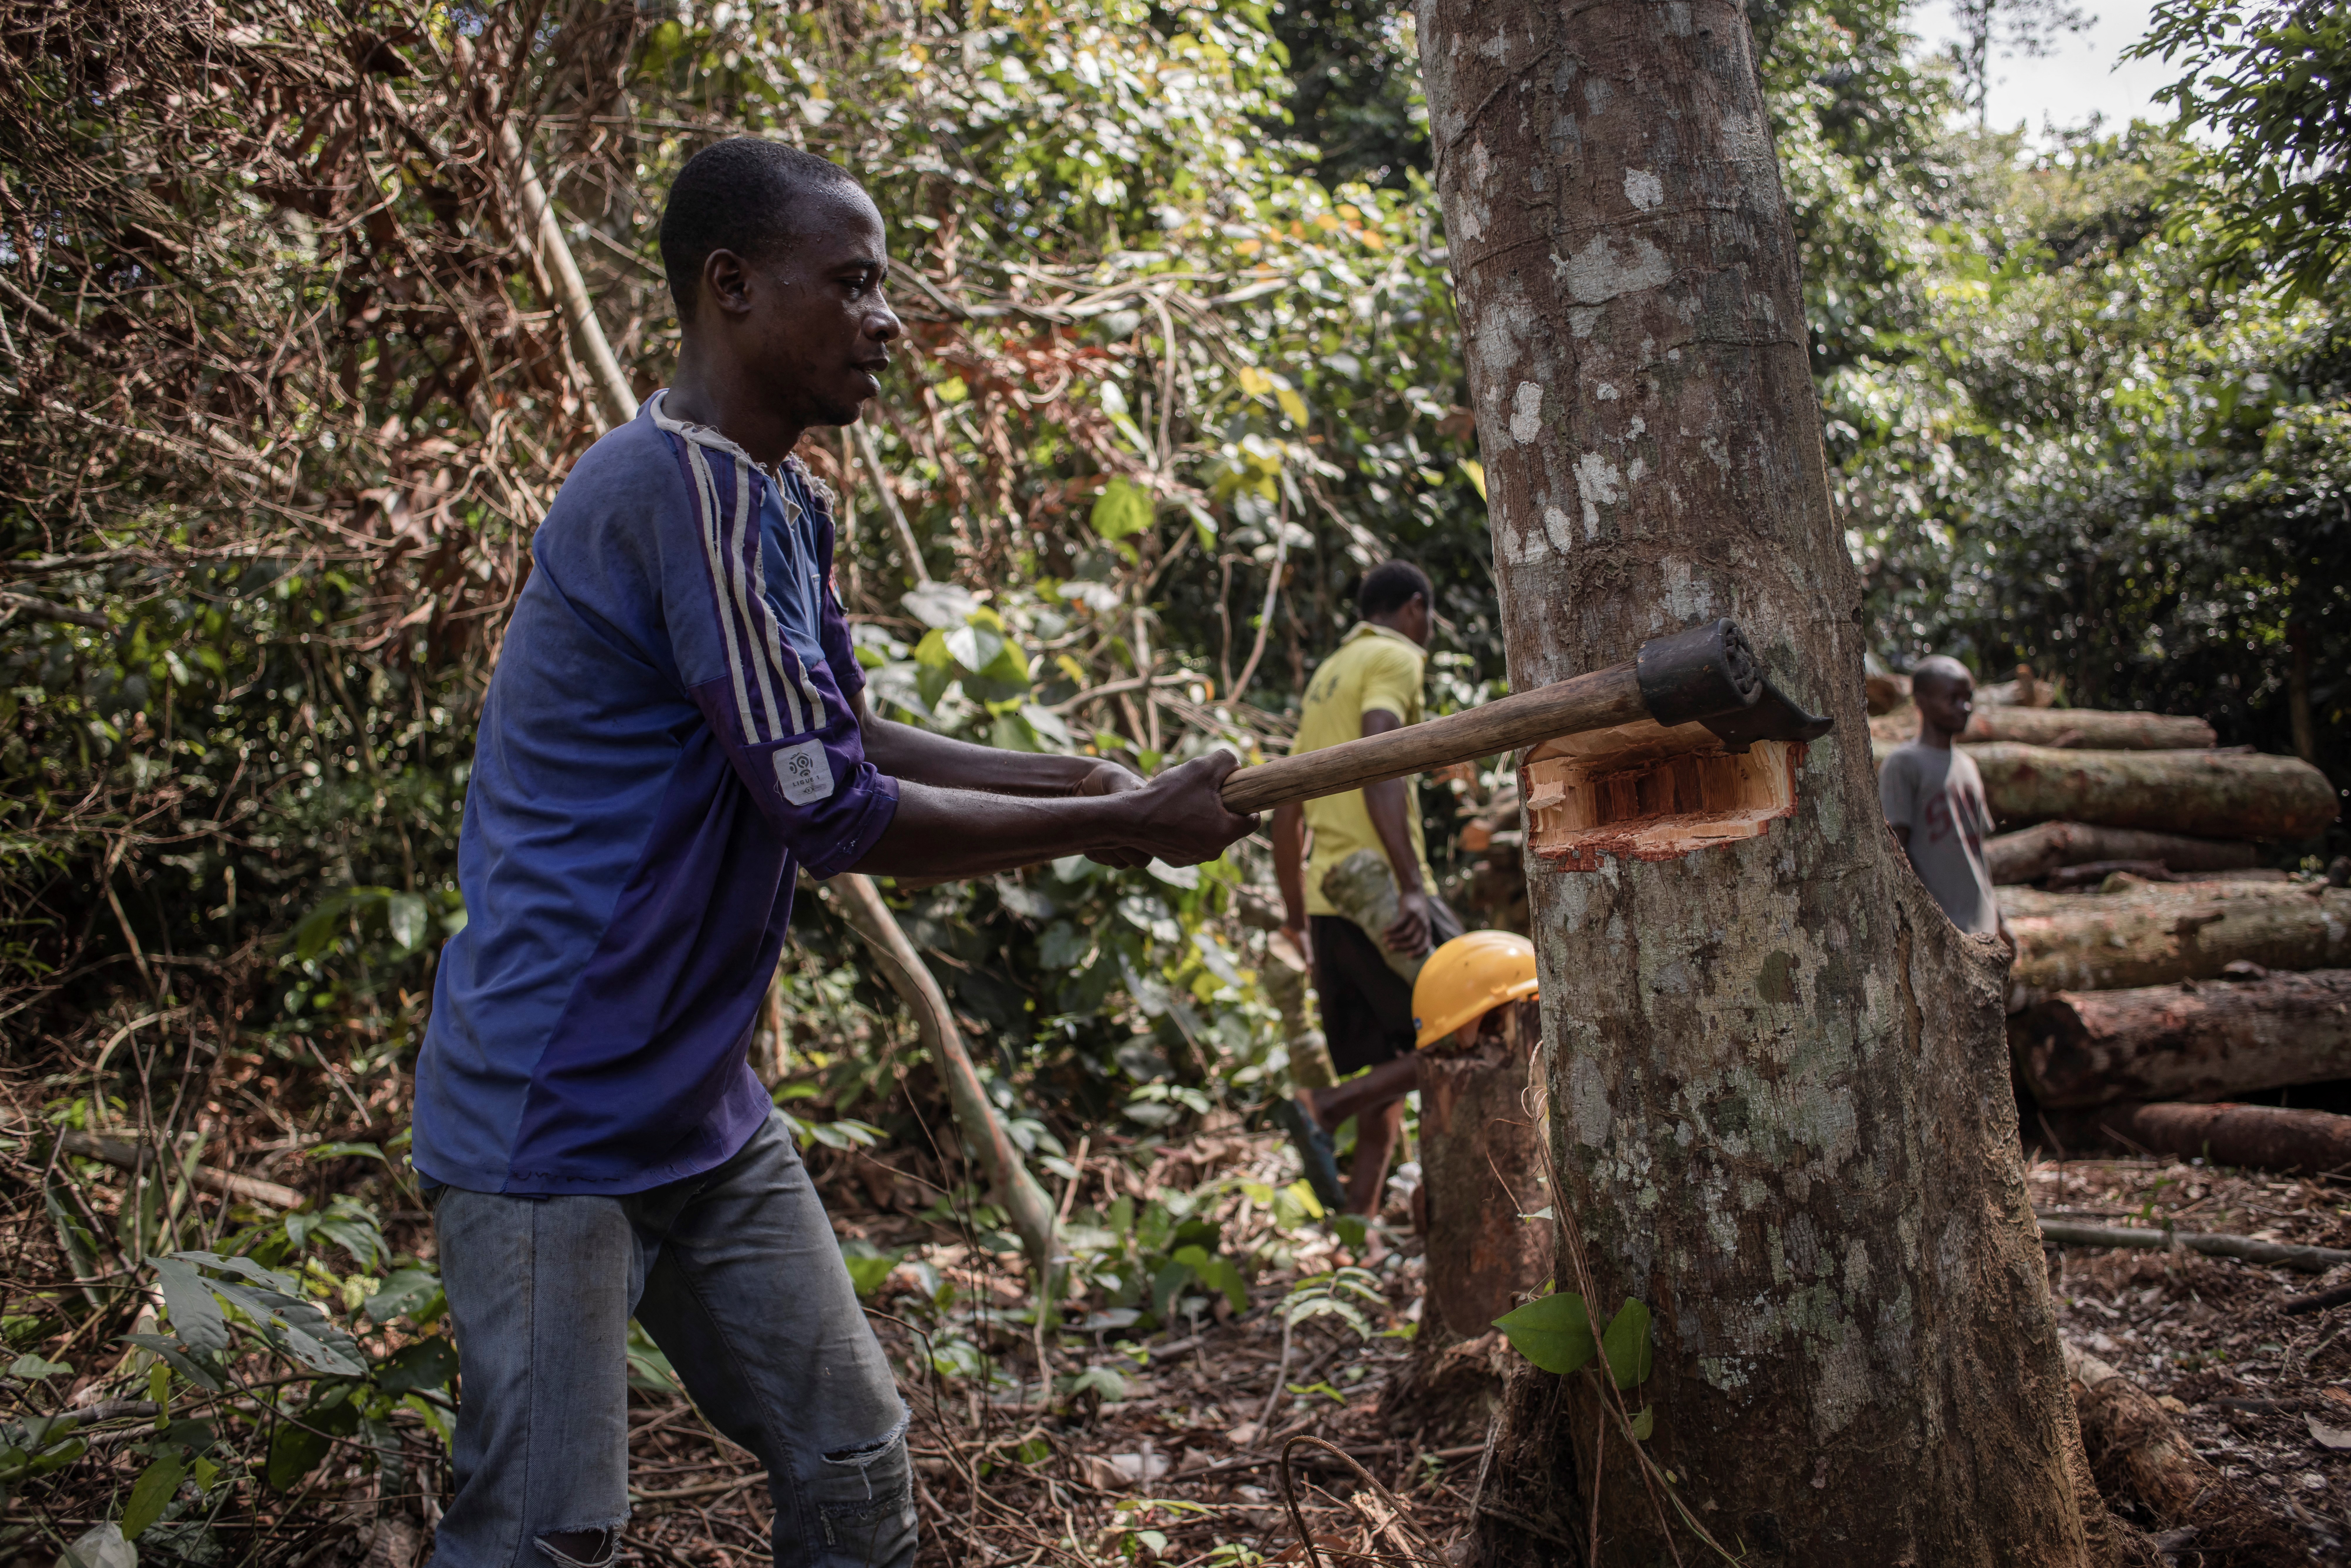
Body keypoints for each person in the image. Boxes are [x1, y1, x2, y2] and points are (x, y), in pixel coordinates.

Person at [408, 138, 1255, 1568]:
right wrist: (1113, 824)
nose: (887, 318)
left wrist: (1077, 777)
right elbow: (836, 812)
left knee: (854, 1460)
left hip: (700, 1104)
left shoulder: (780, 501)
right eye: (853, 284)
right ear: (732, 288)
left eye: (887, 286)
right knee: (542, 1535)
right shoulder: (678, 492)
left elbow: (842, 729)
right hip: (551, 1115)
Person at [1270, 561, 1463, 1215]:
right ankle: (1322, 1106)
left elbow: (1286, 806)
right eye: (1430, 619)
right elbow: (1379, 754)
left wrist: (1297, 917)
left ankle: (1357, 1234)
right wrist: (1412, 887)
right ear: (1415, 608)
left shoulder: (1328, 675)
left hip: (1330, 904)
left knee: (1384, 1078)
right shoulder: (1396, 657)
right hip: (1383, 891)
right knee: (1487, 1027)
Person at [1880, 655, 2013, 954]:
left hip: (1983, 931)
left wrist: (2001, 920)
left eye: (1968, 698)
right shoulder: (1902, 765)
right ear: (1922, 701)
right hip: (1941, 934)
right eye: (1952, 698)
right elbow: (1895, 852)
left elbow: (1977, 853)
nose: (1964, 707)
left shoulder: (1968, 766)